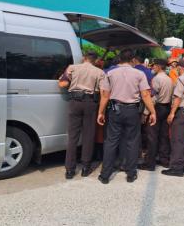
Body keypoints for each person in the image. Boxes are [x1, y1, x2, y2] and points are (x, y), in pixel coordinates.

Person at [97, 49, 156, 184]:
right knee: (132, 141)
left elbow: (105, 95)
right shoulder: (139, 74)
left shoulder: (110, 73)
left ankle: (105, 175)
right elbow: (145, 95)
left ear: (119, 59)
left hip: (114, 110)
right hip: (132, 111)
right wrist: (153, 112)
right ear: (133, 60)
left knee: (111, 141)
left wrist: (100, 112)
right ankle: (131, 173)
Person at [59, 52, 105, 179]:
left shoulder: (72, 68)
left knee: (73, 136)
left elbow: (63, 84)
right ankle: (85, 167)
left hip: (74, 102)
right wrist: (101, 111)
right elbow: (103, 92)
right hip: (91, 103)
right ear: (95, 60)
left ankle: (69, 169)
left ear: (84, 58)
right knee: (88, 136)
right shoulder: (99, 72)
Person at [162, 59, 184, 177]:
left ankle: (176, 168)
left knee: (177, 140)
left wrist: (172, 113)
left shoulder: (181, 79)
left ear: (180, 68)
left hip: (182, 111)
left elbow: (177, 97)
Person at [139, 59, 174, 171]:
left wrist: (146, 112)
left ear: (159, 66)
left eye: (154, 66)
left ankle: (150, 163)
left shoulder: (156, 79)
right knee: (164, 135)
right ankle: (164, 160)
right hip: (167, 107)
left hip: (157, 108)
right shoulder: (169, 80)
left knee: (152, 136)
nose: (152, 68)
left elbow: (152, 98)